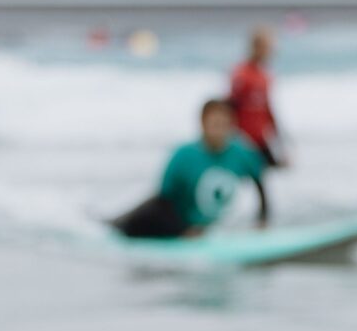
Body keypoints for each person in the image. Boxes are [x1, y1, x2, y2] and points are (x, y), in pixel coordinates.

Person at [110, 98, 270, 239]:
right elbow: (163, 201)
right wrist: (183, 231)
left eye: (224, 125)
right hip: (168, 218)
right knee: (128, 225)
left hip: (200, 226)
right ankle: (110, 226)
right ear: (202, 124)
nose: (219, 131)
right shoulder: (183, 156)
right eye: (214, 124)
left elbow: (260, 182)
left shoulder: (242, 152)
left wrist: (262, 220)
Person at [228, 26, 288, 168]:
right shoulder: (241, 74)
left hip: (260, 137)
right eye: (268, 47)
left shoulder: (265, 76)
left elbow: (267, 108)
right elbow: (230, 106)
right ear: (255, 47)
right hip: (241, 139)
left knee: (267, 172)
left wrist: (277, 134)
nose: (271, 52)